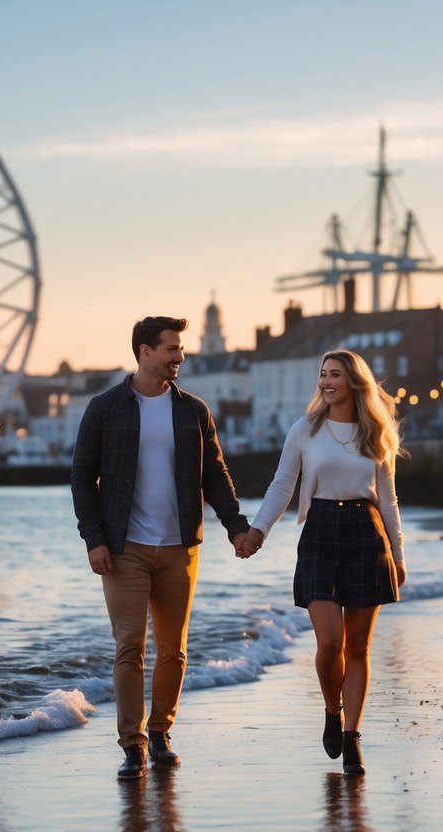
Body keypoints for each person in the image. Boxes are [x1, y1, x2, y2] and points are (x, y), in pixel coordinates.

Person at [71, 315, 251, 780]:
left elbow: (215, 474)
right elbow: (81, 477)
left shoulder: (193, 410)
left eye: (180, 348)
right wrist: (95, 539)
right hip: (123, 547)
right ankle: (132, 744)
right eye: (171, 348)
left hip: (179, 546)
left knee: (174, 649)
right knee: (129, 646)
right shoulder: (105, 407)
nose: (180, 356)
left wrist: (236, 527)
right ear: (145, 351)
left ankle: (161, 732)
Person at [239, 348, 407, 776]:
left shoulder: (376, 435)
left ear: (354, 382)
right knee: (329, 642)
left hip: (367, 536)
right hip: (319, 534)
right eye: (322, 375)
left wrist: (399, 554)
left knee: (359, 647)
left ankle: (352, 735)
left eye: (334, 375)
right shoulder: (305, 430)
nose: (326, 382)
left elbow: (387, 500)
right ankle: (332, 710)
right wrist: (258, 531)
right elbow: (281, 487)